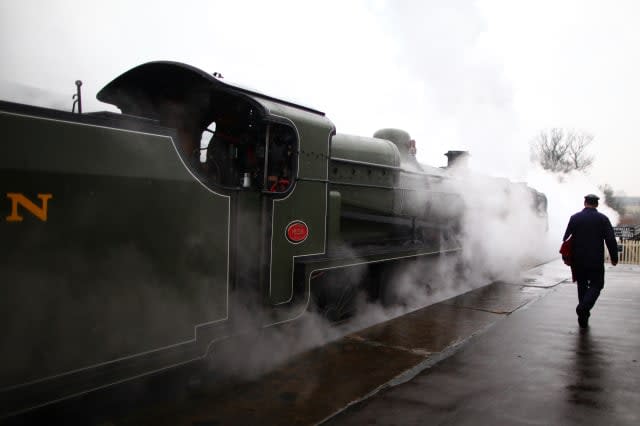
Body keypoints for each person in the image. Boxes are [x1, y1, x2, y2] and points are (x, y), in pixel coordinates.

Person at [562, 194, 618, 328]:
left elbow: (566, 238)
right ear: (596, 204)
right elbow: (610, 240)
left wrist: (567, 256)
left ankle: (583, 316)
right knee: (597, 285)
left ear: (585, 202)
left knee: (582, 285)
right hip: (595, 260)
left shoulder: (575, 218)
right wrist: (614, 258)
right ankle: (583, 308)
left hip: (578, 260)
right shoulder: (603, 219)